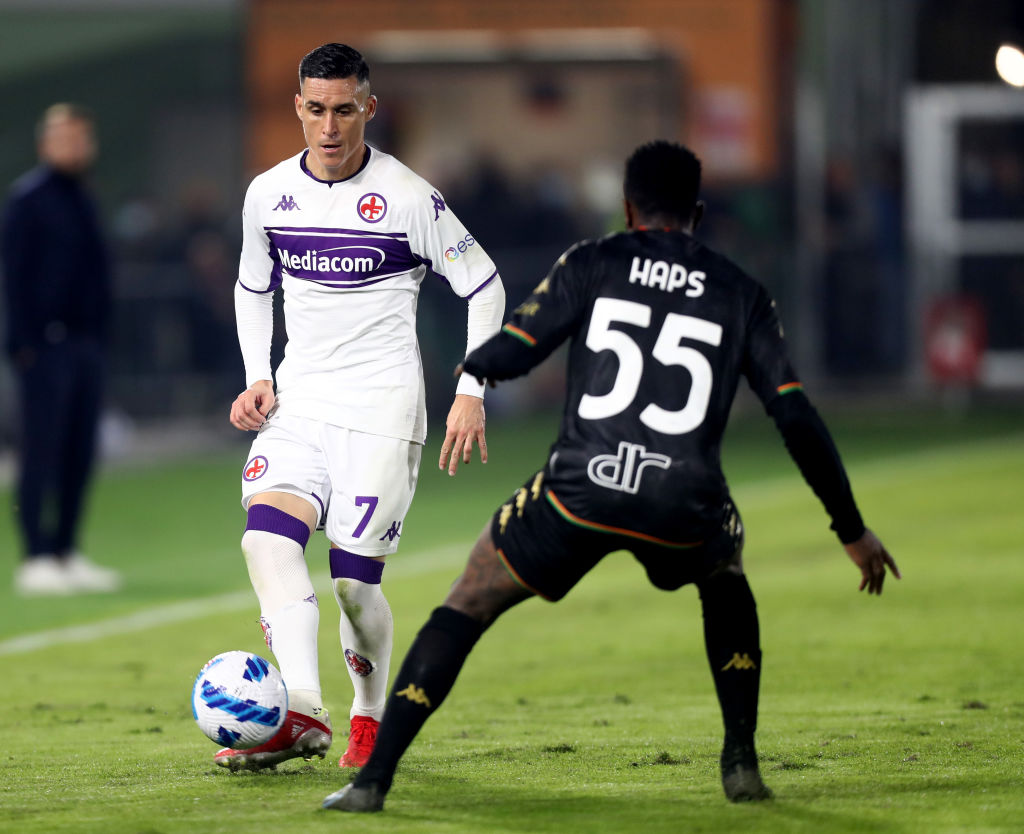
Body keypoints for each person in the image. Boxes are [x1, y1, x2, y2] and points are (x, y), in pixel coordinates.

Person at [323, 140, 901, 813]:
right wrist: (850, 529)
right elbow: (795, 414)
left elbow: (519, 349)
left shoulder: (594, 261)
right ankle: (740, 759)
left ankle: (372, 780)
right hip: (683, 500)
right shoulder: (743, 294)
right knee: (725, 574)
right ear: (700, 211)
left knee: (472, 593)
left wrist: (474, 367)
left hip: (580, 493)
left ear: (628, 208)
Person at [220, 43, 505, 772]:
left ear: (368, 109)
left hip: (381, 412)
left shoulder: (408, 197)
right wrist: (258, 376)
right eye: (316, 108)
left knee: (352, 583)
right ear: (298, 108)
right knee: (266, 542)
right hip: (300, 405)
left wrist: (472, 389)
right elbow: (254, 288)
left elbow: (485, 286)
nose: (329, 125)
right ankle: (303, 713)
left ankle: (368, 716)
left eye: (344, 108)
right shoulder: (269, 193)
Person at [1, 103, 121, 596]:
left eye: (81, 137)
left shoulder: (84, 197)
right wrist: (24, 344)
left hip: (85, 345)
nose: (75, 147)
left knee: (79, 451)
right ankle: (35, 556)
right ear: (46, 143)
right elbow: (14, 277)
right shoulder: (28, 199)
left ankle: (66, 549)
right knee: (41, 451)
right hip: (43, 347)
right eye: (65, 138)